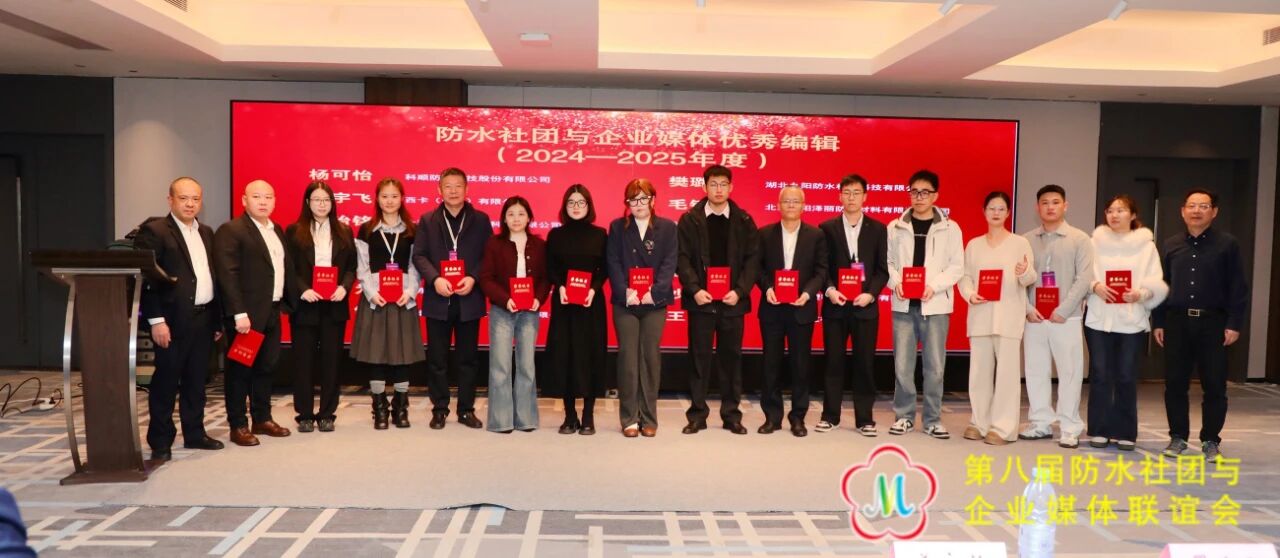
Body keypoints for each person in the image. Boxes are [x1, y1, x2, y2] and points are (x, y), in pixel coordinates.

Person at [1153, 189, 1248, 461]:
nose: (1197, 211)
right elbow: (1161, 285)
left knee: (1215, 385)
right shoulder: (1170, 244)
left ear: (1214, 212)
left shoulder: (1227, 244)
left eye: (1203, 206)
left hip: (1213, 323)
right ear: (1183, 211)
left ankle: (1211, 440)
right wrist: (1159, 321)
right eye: (1192, 206)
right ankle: (1177, 437)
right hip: (1177, 322)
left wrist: (1234, 323)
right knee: (1175, 384)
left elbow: (1238, 287)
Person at [135, 176, 224, 461]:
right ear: (170, 199)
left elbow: (210, 276)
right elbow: (147, 279)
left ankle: (195, 433)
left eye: (195, 199)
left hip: (203, 317)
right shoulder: (155, 231)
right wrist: (156, 320)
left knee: (196, 381)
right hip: (171, 321)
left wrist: (217, 321)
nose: (190, 204)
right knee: (166, 382)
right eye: (183, 198)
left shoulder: (206, 232)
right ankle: (160, 440)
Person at [677, 165, 761, 435]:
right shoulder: (690, 220)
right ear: (704, 187)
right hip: (701, 302)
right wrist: (694, 289)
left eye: (723, 184)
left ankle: (731, 415)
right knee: (698, 360)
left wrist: (740, 290)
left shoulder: (744, 220)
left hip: (732, 301)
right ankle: (697, 415)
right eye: (713, 184)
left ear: (731, 187)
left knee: (731, 361)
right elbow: (682, 258)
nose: (718, 189)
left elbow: (753, 260)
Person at [213, 179, 294, 446]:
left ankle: (262, 418)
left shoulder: (276, 229)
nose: (263, 202)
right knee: (240, 370)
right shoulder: (232, 230)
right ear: (244, 200)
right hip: (246, 317)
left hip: (271, 310)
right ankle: (238, 424)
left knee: (266, 367)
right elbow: (227, 275)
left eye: (268, 197)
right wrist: (238, 313)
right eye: (257, 196)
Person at [1085, 195, 1167, 452]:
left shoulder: (1146, 247)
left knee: (1126, 375)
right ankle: (1099, 429)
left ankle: (1125, 432)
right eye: (1110, 210)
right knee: (1100, 374)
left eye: (1121, 210)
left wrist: (1140, 294)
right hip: (1099, 318)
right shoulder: (1094, 243)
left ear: (1132, 215)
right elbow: (1083, 273)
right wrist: (1095, 286)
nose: (1114, 215)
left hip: (1131, 320)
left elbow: (1156, 281)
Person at [412, 168, 492, 429]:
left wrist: (473, 277)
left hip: (469, 298)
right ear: (439, 190)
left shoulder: (481, 220)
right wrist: (435, 279)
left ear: (467, 189)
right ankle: (440, 409)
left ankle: (466, 410)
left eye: (458, 186)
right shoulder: (428, 220)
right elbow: (419, 255)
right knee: (437, 359)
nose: (454, 191)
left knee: (468, 359)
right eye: (448, 186)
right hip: (438, 298)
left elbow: (489, 255)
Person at [886, 169, 964, 439]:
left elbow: (957, 266)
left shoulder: (950, 228)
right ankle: (904, 417)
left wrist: (935, 286)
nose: (918, 197)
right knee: (902, 366)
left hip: (936, 306)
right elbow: (888, 263)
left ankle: (932, 419)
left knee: (935, 366)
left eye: (924, 192)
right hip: (904, 306)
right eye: (914, 192)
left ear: (935, 196)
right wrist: (896, 282)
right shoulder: (895, 226)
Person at [957, 192, 1036, 445]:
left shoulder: (1020, 243)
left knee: (1007, 377)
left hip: (1009, 317)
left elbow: (1030, 278)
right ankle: (979, 422)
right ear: (984, 211)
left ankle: (1003, 428)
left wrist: (1023, 272)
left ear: (1008, 213)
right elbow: (965, 277)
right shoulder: (974, 245)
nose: (996, 213)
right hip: (980, 316)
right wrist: (970, 294)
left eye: (1001, 209)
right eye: (991, 208)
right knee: (979, 374)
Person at [1020, 184, 1095, 449]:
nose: (1050, 207)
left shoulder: (1080, 239)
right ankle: (1040, 422)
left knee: (1070, 373)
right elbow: (1019, 279)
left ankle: (1069, 426)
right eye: (1044, 202)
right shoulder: (1026, 240)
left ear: (1065, 205)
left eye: (1055, 202)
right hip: (1035, 317)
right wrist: (1028, 309)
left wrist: (1063, 310)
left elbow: (1084, 278)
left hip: (1067, 318)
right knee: (1035, 371)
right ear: (1037, 207)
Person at [350, 178, 425, 429]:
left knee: (402, 355)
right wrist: (371, 293)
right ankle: (379, 408)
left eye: (394, 196)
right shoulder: (366, 230)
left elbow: (415, 265)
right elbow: (362, 266)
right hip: (376, 300)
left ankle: (401, 408)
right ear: (377, 199)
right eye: (385, 196)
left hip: (403, 299)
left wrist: (410, 291)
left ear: (402, 199)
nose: (390, 201)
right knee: (377, 355)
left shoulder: (412, 230)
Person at [818, 174, 889, 436]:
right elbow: (822, 267)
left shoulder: (878, 229)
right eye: (846, 192)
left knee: (864, 364)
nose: (851, 197)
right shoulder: (826, 228)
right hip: (836, 306)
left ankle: (865, 419)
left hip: (865, 307)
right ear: (839, 196)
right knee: (833, 362)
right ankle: (830, 416)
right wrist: (830, 290)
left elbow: (882, 270)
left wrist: (870, 294)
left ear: (865, 197)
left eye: (856, 193)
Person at [607, 179, 678, 437]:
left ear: (653, 200)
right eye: (633, 200)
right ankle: (628, 418)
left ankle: (649, 418)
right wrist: (624, 291)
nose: (638, 204)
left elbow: (670, 262)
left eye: (643, 199)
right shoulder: (617, 228)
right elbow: (613, 261)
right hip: (626, 302)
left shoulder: (667, 228)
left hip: (654, 303)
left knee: (650, 358)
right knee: (628, 358)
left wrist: (654, 292)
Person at [756, 185, 828, 437]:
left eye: (795, 201)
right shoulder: (764, 234)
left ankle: (798, 418)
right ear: (778, 205)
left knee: (801, 365)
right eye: (786, 201)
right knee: (770, 365)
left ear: (803, 206)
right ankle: (772, 417)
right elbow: (757, 268)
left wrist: (807, 293)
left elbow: (821, 271)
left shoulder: (816, 235)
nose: (790, 205)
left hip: (801, 309)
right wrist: (767, 289)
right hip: (772, 308)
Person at [285, 181, 356, 433]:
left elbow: (351, 267)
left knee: (331, 362)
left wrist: (344, 287)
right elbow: (288, 267)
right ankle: (304, 414)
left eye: (326, 200)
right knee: (303, 362)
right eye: (316, 200)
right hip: (306, 304)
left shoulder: (344, 230)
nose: (322, 204)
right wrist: (303, 289)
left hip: (334, 305)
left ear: (332, 203)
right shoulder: (294, 231)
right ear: (307, 202)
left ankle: (327, 413)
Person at [479, 196, 550, 433]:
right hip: (502, 310)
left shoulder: (539, 245)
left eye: (521, 214)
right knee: (500, 365)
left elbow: (545, 278)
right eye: (511, 214)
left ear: (529, 217)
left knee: (526, 365)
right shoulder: (494, 244)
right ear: (504, 218)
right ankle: (501, 421)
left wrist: (538, 299)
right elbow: (486, 278)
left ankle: (526, 419)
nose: (516, 219)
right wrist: (505, 299)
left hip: (529, 312)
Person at [544, 184, 608, 435]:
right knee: (565, 356)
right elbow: (550, 268)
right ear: (565, 206)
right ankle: (570, 416)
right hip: (565, 303)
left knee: (591, 355)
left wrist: (593, 288)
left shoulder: (600, 234)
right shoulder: (555, 235)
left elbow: (605, 268)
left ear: (589, 205)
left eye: (581, 202)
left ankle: (588, 416)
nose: (576, 207)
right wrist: (560, 286)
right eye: (571, 202)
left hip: (591, 304)